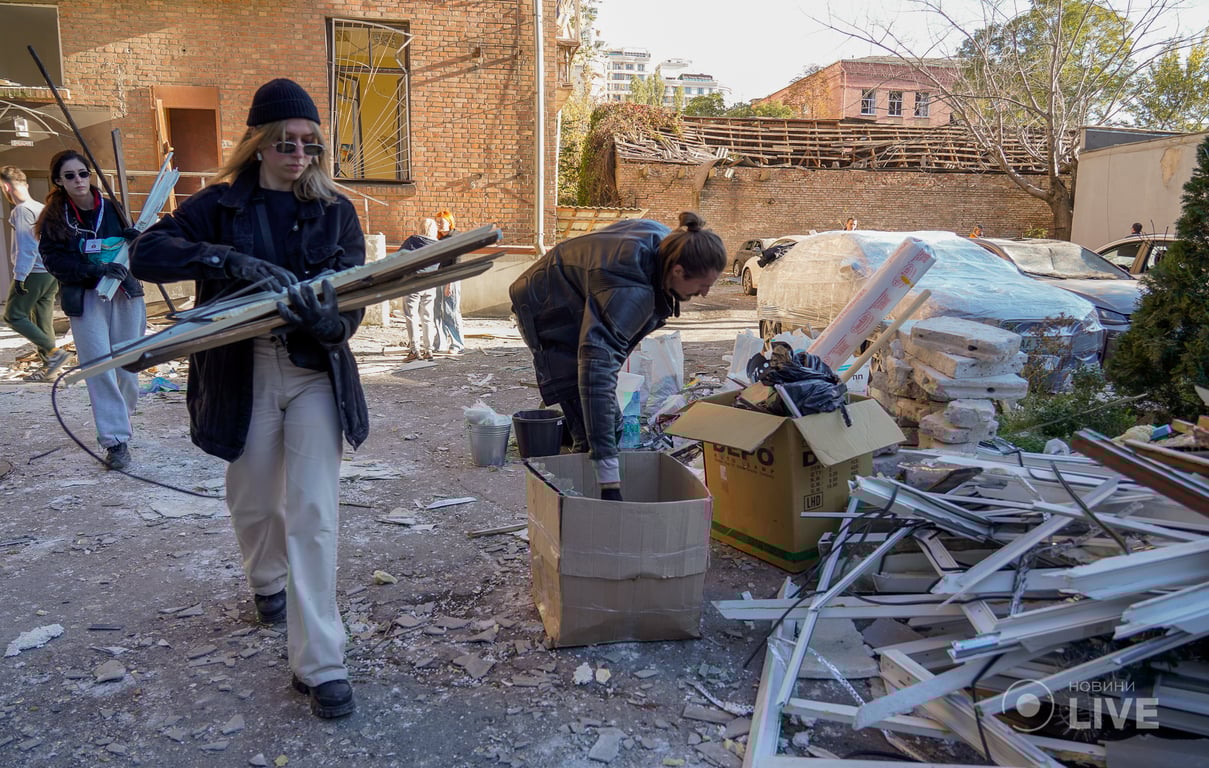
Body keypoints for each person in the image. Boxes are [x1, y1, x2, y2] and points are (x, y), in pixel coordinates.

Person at [131, 78, 366, 719]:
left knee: (314, 510)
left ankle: (321, 663)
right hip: (241, 371)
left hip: (313, 369)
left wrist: (326, 321)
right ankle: (267, 582)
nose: (298, 155)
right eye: (286, 142)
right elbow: (147, 252)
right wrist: (228, 262)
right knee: (256, 499)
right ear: (259, 143)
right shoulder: (221, 205)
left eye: (310, 144)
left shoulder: (337, 211)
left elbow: (355, 305)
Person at [509, 211, 725, 500]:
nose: (706, 294)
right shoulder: (629, 290)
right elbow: (596, 373)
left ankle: (578, 442)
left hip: (571, 287)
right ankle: (583, 499)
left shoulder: (673, 244)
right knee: (592, 422)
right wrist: (608, 477)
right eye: (702, 286)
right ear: (677, 271)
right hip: (546, 306)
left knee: (606, 418)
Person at [37, 150, 145, 468]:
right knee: (99, 367)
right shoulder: (55, 218)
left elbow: (136, 249)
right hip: (86, 297)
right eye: (69, 176)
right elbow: (54, 261)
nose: (78, 180)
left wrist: (136, 241)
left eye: (83, 173)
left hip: (125, 293)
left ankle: (121, 418)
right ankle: (115, 441)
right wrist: (94, 270)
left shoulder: (112, 207)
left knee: (129, 364)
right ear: (59, 181)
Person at [1, 166, 68, 379]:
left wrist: (20, 277)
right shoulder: (41, 207)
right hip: (49, 271)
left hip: (33, 272)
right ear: (26, 185)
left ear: (5, 187)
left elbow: (27, 247)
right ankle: (50, 367)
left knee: (14, 315)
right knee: (42, 319)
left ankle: (55, 353)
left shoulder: (20, 211)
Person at [402, 218, 438, 363]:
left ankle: (414, 350)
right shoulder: (438, 244)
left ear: (420, 227)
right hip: (430, 283)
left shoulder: (413, 240)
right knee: (428, 317)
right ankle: (428, 350)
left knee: (412, 316)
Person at [432, 208, 465, 356]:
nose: (439, 224)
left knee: (451, 312)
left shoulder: (456, 237)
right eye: (437, 222)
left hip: (450, 278)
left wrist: (449, 283)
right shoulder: (438, 238)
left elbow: (456, 263)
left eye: (442, 222)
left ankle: (457, 344)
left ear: (449, 222)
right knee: (437, 312)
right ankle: (440, 343)